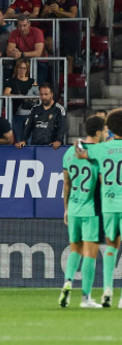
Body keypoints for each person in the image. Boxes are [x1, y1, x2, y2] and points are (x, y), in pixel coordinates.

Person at [74, 109, 122, 308]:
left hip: (109, 204)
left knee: (111, 245)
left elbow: (79, 149)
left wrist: (80, 142)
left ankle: (107, 290)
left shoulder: (102, 148)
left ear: (109, 128)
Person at [59, 115, 105, 309]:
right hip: (91, 210)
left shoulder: (70, 152)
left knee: (74, 249)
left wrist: (66, 209)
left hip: (74, 208)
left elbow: (66, 184)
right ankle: (86, 298)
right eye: (104, 130)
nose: (106, 134)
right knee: (90, 254)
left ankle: (67, 282)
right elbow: (104, 182)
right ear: (97, 132)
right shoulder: (100, 152)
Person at [40, 0, 79, 74]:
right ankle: (56, 67)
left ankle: (67, 82)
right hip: (54, 30)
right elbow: (41, 15)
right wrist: (46, 11)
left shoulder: (71, 0)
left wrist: (58, 11)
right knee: (48, 44)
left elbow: (73, 15)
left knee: (69, 58)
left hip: (70, 31)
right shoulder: (51, 0)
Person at [16, 83, 66, 149]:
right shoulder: (35, 109)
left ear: (52, 94)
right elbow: (28, 126)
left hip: (52, 148)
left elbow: (62, 127)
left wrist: (58, 141)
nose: (44, 97)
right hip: (36, 147)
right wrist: (23, 140)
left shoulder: (59, 109)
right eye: (41, 94)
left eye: (46, 94)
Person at [4, 58, 39, 142]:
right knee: (19, 138)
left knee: (30, 139)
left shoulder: (32, 81)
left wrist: (32, 98)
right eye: (20, 68)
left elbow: (38, 95)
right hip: (16, 113)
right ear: (16, 68)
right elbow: (6, 93)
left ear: (27, 69)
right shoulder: (12, 81)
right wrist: (18, 96)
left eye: (24, 68)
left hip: (29, 113)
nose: (22, 70)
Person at [6, 16, 48, 84]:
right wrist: (13, 53)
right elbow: (8, 51)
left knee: (39, 79)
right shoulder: (14, 33)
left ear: (29, 24)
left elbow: (38, 53)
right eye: (20, 26)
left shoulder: (37, 32)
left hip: (39, 61)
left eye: (24, 25)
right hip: (22, 61)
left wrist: (21, 54)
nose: (22, 28)